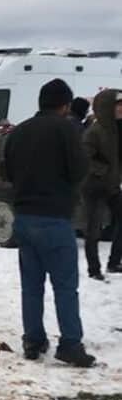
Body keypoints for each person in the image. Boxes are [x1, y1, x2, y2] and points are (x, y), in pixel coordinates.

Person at [4, 78, 95, 367]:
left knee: (31, 285)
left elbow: (7, 169)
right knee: (65, 286)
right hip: (54, 217)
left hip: (24, 216)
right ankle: (70, 343)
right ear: (66, 105)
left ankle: (33, 340)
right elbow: (80, 168)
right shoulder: (66, 129)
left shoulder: (19, 131)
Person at [82, 88, 122, 279]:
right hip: (94, 187)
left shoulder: (118, 129)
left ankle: (114, 262)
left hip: (113, 186)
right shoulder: (94, 131)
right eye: (118, 105)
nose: (121, 109)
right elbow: (85, 158)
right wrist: (103, 170)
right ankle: (94, 269)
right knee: (94, 230)